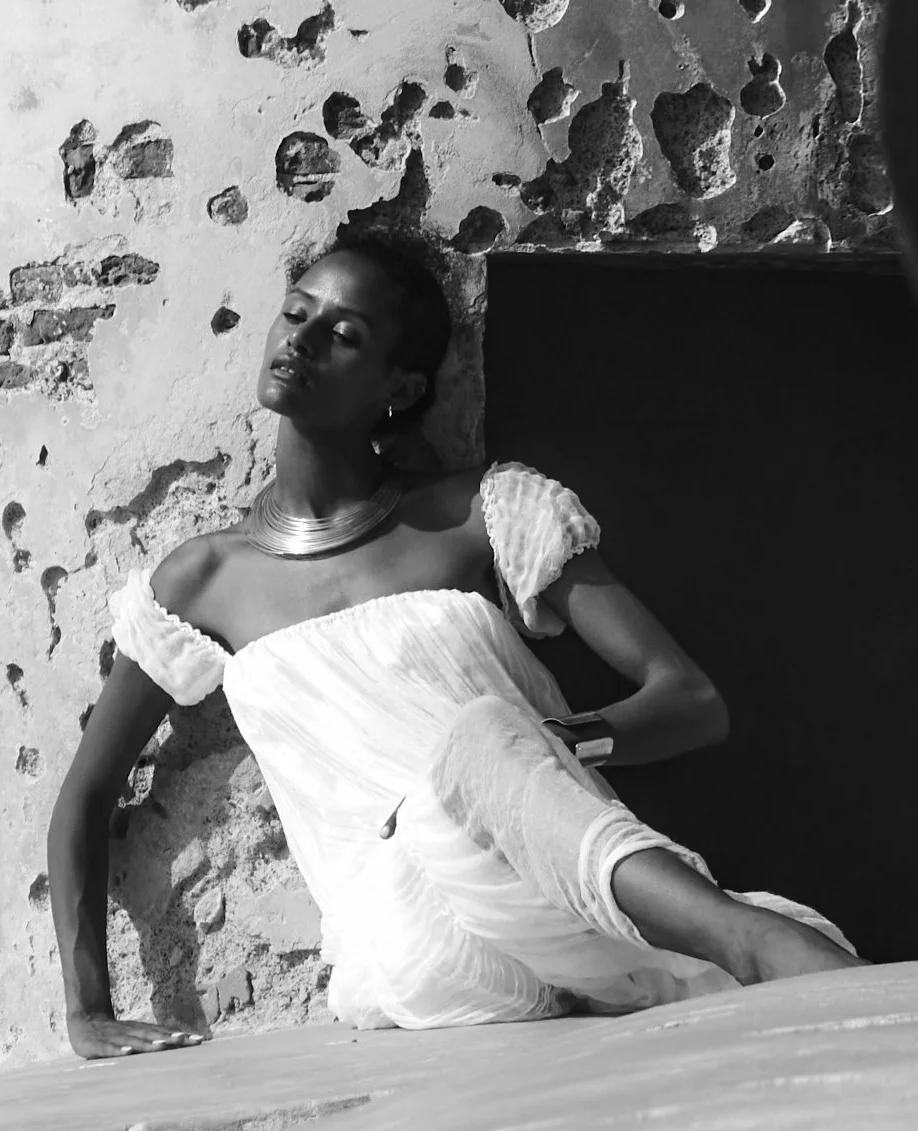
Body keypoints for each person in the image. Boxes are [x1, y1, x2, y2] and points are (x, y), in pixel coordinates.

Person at [48, 231, 860, 1059]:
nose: (302, 339)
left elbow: (690, 702)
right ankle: (748, 941)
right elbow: (85, 796)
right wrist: (85, 1012)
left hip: (556, 882)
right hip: (418, 943)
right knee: (472, 753)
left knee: (480, 744)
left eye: (344, 334)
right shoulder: (200, 581)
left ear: (399, 387)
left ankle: (731, 936)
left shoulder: (481, 509)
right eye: (297, 313)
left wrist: (555, 745)